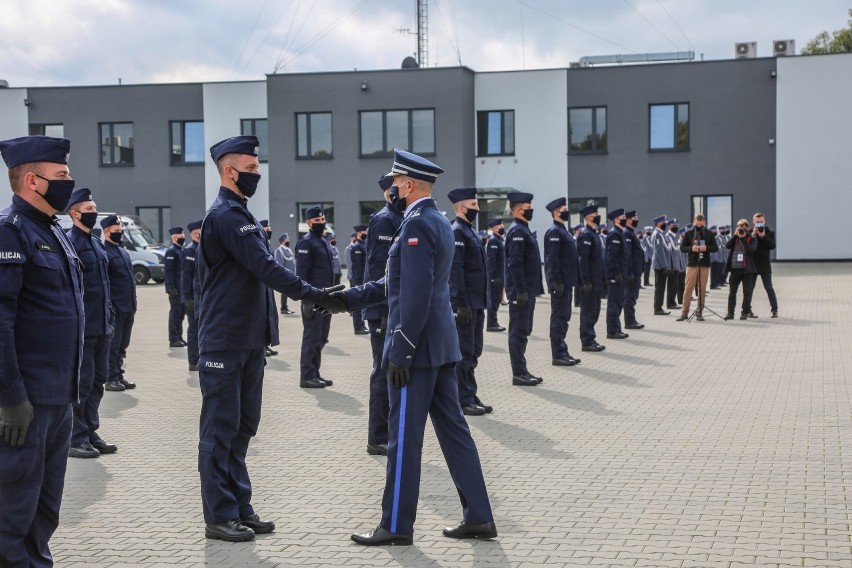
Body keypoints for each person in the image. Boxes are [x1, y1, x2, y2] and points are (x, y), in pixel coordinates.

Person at [318, 148, 496, 546]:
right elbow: (394, 284)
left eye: (396, 183)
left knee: (403, 440)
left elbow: (414, 295)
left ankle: (396, 526)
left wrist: (401, 349)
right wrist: (346, 298)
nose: (392, 189)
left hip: (416, 351)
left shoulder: (417, 225)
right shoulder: (434, 221)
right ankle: (480, 517)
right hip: (439, 347)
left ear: (409, 185)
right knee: (454, 433)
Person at [196, 135, 338, 542]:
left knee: (242, 429)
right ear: (229, 171)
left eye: (257, 168)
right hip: (225, 342)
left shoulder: (240, 212)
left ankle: (240, 506)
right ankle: (219, 516)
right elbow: (265, 268)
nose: (257, 174)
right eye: (252, 169)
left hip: (249, 341)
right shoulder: (225, 215)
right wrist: (315, 295)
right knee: (220, 431)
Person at [0, 135, 84, 566]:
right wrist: (11, 397)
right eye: (62, 176)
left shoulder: (55, 232)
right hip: (26, 402)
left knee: (45, 510)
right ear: (32, 180)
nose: (69, 182)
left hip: (59, 397)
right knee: (12, 511)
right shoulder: (10, 231)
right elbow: (1, 321)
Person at [66, 188, 118, 459]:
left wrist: (109, 317)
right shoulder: (69, 242)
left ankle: (90, 430)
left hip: (102, 326)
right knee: (82, 383)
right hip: (83, 328)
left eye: (94, 209)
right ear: (74, 213)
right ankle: (76, 437)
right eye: (89, 211)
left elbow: (105, 285)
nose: (94, 214)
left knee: (99, 381)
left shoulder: (97, 243)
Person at [362, 174, 403, 456]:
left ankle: (389, 432)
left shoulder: (398, 218)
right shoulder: (384, 220)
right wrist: (385, 308)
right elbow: (379, 269)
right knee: (382, 371)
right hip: (382, 310)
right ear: (390, 193)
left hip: (391, 307)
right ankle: (377, 438)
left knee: (389, 370)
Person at [448, 187, 492, 416]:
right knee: (464, 352)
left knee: (474, 350)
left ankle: (470, 393)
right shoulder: (457, 232)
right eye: (474, 205)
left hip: (477, 302)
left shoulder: (471, 232)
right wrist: (460, 302)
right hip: (466, 304)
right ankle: (462, 399)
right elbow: (456, 270)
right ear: (462, 208)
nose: (478, 208)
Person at [504, 191, 544, 386]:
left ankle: (523, 369)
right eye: (528, 209)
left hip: (527, 291)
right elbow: (515, 264)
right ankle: (518, 373)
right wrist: (520, 290)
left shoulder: (523, 229)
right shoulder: (518, 232)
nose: (531, 211)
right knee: (518, 332)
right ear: (519, 210)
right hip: (521, 293)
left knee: (524, 331)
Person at [296, 207, 337, 389]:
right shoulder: (306, 243)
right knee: (311, 338)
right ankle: (306, 376)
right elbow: (301, 274)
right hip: (313, 299)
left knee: (321, 337)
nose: (321, 223)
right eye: (317, 221)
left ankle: (315, 372)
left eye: (322, 220)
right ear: (308, 223)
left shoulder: (323, 241)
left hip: (326, 299)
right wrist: (305, 300)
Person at [543, 197, 581, 367]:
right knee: (559, 318)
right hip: (560, 284)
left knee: (564, 317)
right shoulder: (554, 232)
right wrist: (555, 282)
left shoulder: (563, 230)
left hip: (567, 282)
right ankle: (558, 354)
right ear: (556, 213)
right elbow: (553, 260)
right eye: (564, 210)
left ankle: (562, 350)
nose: (567, 212)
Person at [102, 215, 138, 392]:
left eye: (121, 231)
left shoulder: (122, 251)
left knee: (123, 344)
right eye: (117, 232)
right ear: (106, 232)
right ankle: (111, 378)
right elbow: (106, 283)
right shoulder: (105, 253)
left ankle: (119, 374)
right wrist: (110, 306)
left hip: (128, 307)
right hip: (116, 308)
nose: (120, 234)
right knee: (113, 345)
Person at [677, 214, 718, 321]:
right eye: (697, 223)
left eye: (701, 224)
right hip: (692, 264)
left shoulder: (709, 233)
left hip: (704, 264)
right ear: (694, 222)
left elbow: (715, 248)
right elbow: (682, 248)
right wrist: (692, 248)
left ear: (704, 222)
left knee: (702, 289)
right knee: (688, 288)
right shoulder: (689, 233)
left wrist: (706, 248)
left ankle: (699, 312)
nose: (699, 225)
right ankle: (684, 313)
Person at [577, 204, 606, 352]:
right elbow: (583, 260)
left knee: (595, 310)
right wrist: (585, 281)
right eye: (595, 214)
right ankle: (586, 341)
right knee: (588, 311)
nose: (598, 216)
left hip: (596, 279)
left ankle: (591, 337)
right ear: (589, 217)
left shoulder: (594, 233)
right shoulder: (585, 235)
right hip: (589, 281)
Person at [724, 219, 758, 321]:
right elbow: (727, 246)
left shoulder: (752, 238)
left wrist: (743, 238)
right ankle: (730, 313)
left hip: (746, 270)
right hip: (734, 270)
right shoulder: (735, 238)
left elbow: (751, 250)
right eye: (739, 226)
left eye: (743, 227)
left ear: (747, 228)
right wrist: (735, 236)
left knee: (747, 293)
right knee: (732, 293)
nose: (741, 229)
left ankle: (745, 312)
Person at [604, 209, 630, 340]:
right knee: (614, 303)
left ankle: (617, 328)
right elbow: (611, 256)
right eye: (623, 217)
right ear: (615, 220)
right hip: (615, 276)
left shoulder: (620, 233)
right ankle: (612, 331)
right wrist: (616, 273)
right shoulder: (614, 234)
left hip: (621, 275)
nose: (625, 219)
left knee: (619, 303)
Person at [182, 220, 202, 370]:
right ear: (192, 234)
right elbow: (186, 276)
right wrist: (187, 297)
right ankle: (193, 361)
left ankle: (200, 357)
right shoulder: (190, 250)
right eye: (197, 234)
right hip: (193, 298)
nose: (200, 236)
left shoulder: (203, 248)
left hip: (202, 298)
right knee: (194, 330)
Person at [751, 212, 778, 318]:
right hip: (753, 265)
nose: (759, 224)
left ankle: (774, 310)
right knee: (749, 288)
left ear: (764, 221)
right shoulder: (750, 232)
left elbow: (772, 246)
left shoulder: (770, 232)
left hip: (765, 265)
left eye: (761, 222)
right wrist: (753, 236)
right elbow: (748, 247)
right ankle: (747, 310)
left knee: (769, 288)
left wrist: (763, 236)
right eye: (757, 222)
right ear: (753, 222)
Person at [622, 211, 645, 330]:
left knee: (633, 296)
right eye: (635, 218)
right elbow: (628, 255)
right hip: (632, 272)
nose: (637, 220)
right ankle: (629, 321)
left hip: (636, 270)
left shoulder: (631, 233)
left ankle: (632, 319)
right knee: (630, 296)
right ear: (629, 220)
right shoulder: (626, 233)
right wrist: (630, 271)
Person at [164, 226, 187, 348]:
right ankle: (173, 339)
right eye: (180, 237)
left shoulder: (180, 251)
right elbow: (169, 271)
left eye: (183, 237)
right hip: (175, 289)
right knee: (175, 314)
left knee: (181, 314)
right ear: (174, 238)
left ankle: (179, 336)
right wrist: (170, 287)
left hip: (182, 289)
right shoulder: (171, 251)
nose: (183, 239)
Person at [484, 218, 506, 332]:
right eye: (499, 226)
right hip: (495, 277)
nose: (502, 228)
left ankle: (494, 321)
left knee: (497, 300)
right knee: (493, 300)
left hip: (499, 276)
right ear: (494, 228)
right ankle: (491, 324)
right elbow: (491, 261)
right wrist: (494, 277)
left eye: (502, 226)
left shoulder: (498, 240)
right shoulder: (493, 241)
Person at [349, 225, 369, 334]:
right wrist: (360, 280)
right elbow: (357, 266)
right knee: (357, 304)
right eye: (363, 232)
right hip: (358, 278)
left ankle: (361, 325)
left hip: (363, 278)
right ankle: (358, 327)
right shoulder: (356, 246)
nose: (365, 233)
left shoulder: (363, 245)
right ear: (357, 233)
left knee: (362, 303)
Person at [650, 215, 671, 315]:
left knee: (661, 287)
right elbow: (659, 251)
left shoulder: (660, 234)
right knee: (660, 288)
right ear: (658, 223)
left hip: (661, 264)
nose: (665, 224)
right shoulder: (657, 234)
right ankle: (657, 308)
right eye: (664, 222)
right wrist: (665, 265)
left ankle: (659, 307)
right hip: (660, 265)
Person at [273, 233, 296, 314]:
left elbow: (293, 263)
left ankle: (285, 307)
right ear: (282, 241)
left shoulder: (288, 250)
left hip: (291, 274)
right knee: (285, 291)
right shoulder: (279, 250)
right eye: (287, 239)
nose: (288, 240)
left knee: (287, 292)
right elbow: (279, 264)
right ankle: (283, 308)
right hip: (285, 275)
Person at [664, 219, 682, 311]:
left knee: (675, 285)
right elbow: (668, 252)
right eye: (673, 225)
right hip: (671, 265)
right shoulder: (667, 236)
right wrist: (669, 266)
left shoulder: (675, 236)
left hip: (676, 264)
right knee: (671, 285)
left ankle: (673, 302)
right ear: (669, 226)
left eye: (677, 224)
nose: (676, 226)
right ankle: (670, 303)